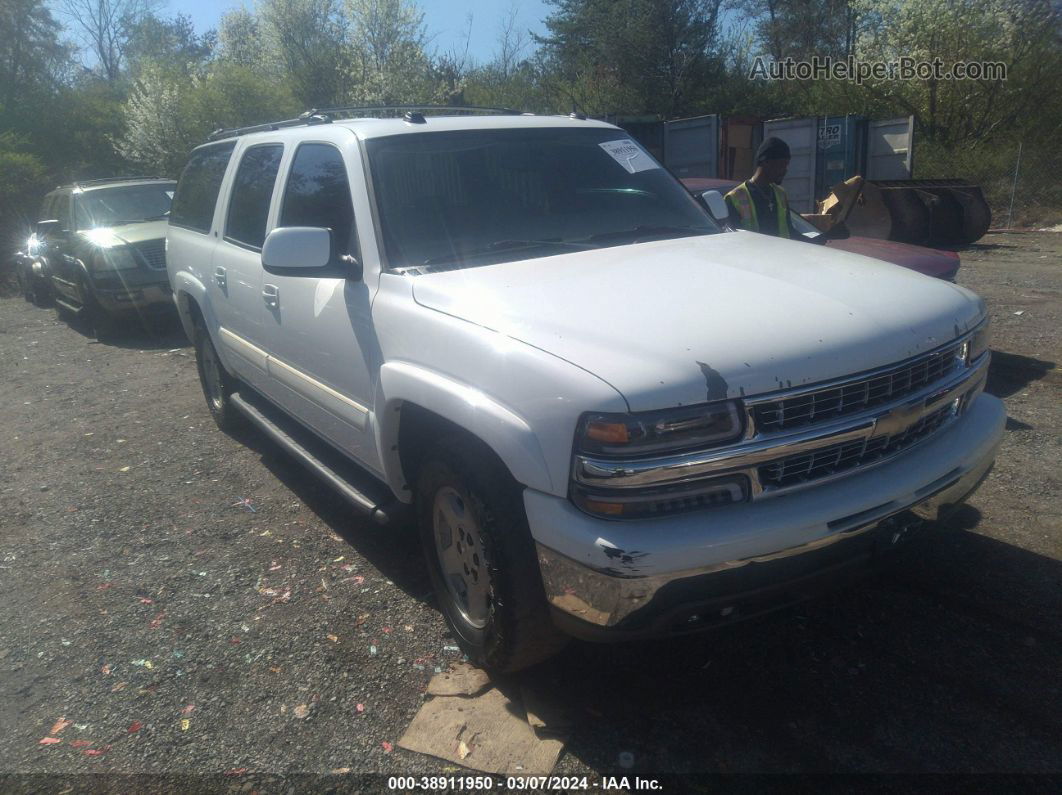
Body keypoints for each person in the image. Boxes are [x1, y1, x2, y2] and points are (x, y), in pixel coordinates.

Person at [725, 137, 802, 239]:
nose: (785, 170)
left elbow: (790, 231)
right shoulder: (735, 198)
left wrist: (819, 241)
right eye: (782, 165)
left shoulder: (780, 194)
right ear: (766, 162)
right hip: (754, 255)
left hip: (781, 254)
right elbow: (733, 240)